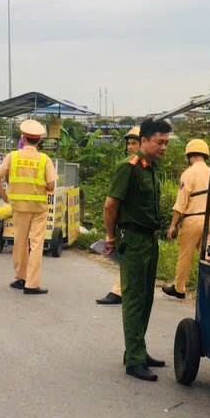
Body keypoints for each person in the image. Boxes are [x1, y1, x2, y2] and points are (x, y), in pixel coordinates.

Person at [103, 118, 172, 380]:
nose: (164, 147)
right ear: (143, 141)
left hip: (149, 239)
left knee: (146, 298)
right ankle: (134, 359)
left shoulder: (151, 168)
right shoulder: (128, 168)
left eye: (166, 143)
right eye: (159, 142)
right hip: (132, 239)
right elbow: (111, 205)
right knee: (133, 299)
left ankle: (137, 349)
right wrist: (111, 238)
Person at [0, 120, 56, 295]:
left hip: (18, 207)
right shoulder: (45, 159)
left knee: (19, 242)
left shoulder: (12, 156)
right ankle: (32, 283)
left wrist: (5, 197)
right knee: (36, 243)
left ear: (23, 138)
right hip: (38, 208)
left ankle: (20, 277)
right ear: (39, 140)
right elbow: (51, 185)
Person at [163, 138, 210, 300]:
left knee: (185, 255)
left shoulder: (188, 173)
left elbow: (181, 202)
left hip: (193, 220)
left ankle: (179, 288)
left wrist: (173, 225)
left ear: (189, 155)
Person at [96, 126, 141, 305]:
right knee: (129, 260)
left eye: (134, 143)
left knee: (130, 260)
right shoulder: (128, 167)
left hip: (133, 224)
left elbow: (111, 205)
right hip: (127, 223)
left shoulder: (139, 168)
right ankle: (123, 291)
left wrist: (110, 233)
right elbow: (112, 204)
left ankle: (121, 291)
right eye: (128, 144)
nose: (130, 147)